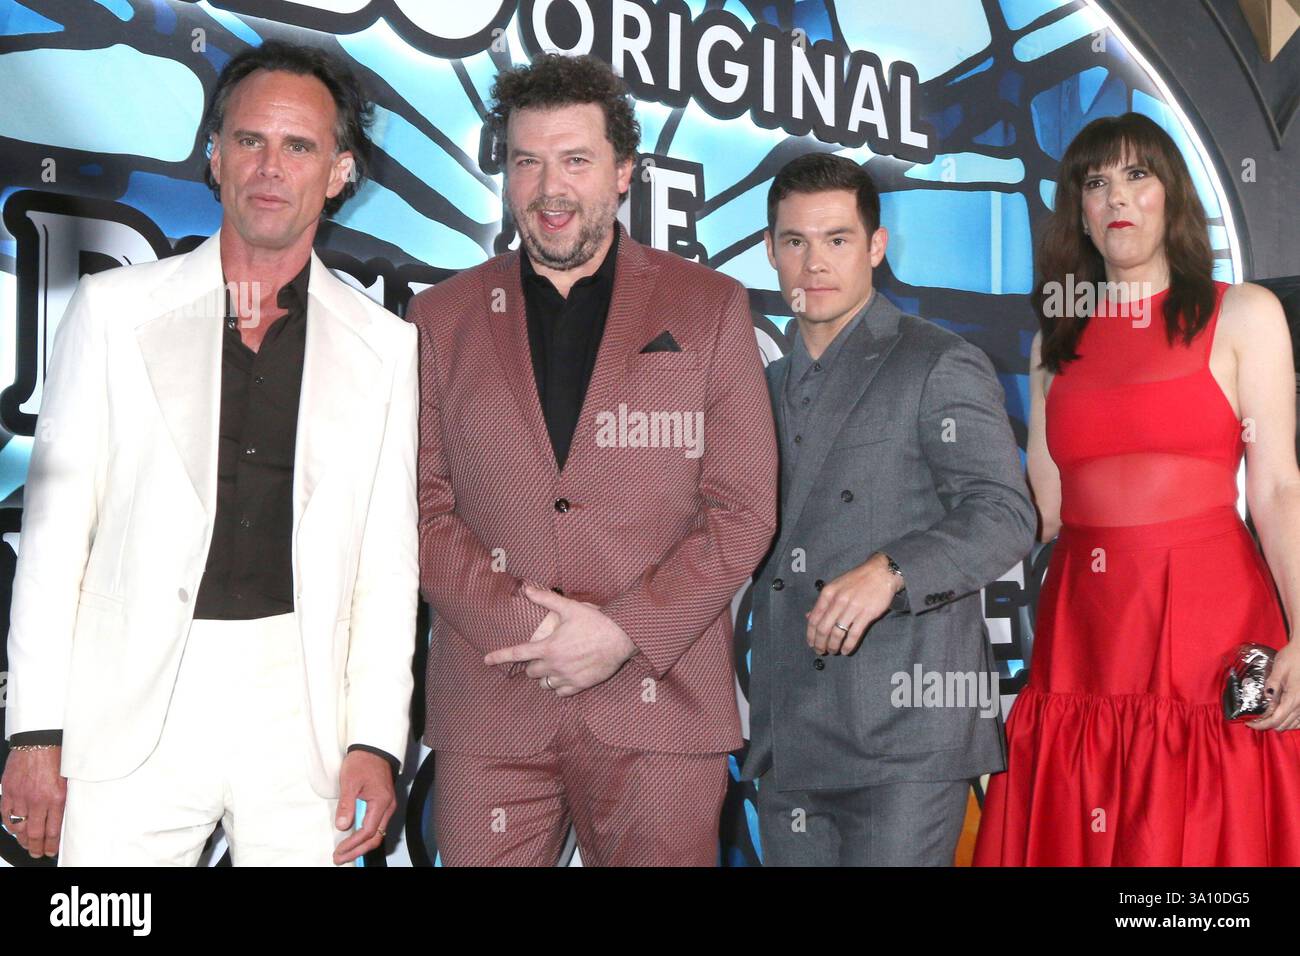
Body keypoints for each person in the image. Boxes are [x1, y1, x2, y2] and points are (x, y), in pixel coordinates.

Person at [0, 40, 418, 866]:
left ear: (339, 174)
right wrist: (36, 734)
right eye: (250, 141)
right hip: (128, 706)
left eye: (299, 146)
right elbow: (52, 539)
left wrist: (375, 739)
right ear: (215, 157)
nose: (271, 166)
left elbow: (387, 565)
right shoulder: (114, 310)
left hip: (303, 714)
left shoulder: (388, 347)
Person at [408, 53, 777, 866]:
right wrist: (537, 633)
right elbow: (421, 507)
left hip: (660, 702)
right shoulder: (440, 317)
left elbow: (744, 508)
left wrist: (620, 633)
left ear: (623, 174)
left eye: (575, 159)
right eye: (527, 161)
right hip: (494, 698)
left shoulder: (708, 307)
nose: (550, 188)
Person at [974, 112, 1300, 866]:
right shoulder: (1053, 343)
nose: (1117, 197)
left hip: (1207, 625)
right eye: (1096, 183)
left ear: (1171, 196)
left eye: (1137, 175)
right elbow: (1046, 510)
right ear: (1081, 214)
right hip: (1084, 631)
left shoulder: (1244, 312)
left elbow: (1279, 487)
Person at [740, 153, 1037, 866]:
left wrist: (891, 571)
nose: (815, 263)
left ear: (876, 247)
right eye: (795, 242)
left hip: (905, 733)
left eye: (837, 240)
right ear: (769, 250)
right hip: (790, 736)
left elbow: (1005, 513)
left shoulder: (937, 361)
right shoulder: (759, 386)